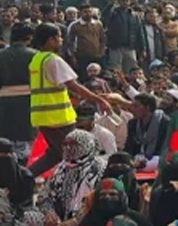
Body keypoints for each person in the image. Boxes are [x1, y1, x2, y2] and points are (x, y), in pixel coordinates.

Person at [26, 23, 113, 176]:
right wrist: (99, 99)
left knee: (55, 154)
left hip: (42, 116)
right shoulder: (53, 60)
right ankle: (77, 186)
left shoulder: (36, 59)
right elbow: (73, 85)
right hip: (58, 117)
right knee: (76, 154)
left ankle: (23, 178)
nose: (61, 40)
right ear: (50, 40)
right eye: (58, 37)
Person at [37, 128, 106, 226]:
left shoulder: (99, 168)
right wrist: (49, 212)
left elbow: (100, 201)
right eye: (65, 144)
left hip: (87, 220)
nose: (68, 148)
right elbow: (44, 194)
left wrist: (76, 221)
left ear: (86, 145)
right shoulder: (62, 168)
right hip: (60, 219)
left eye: (74, 144)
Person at [0, 22, 37, 157]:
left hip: (5, 100)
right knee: (26, 137)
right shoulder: (35, 55)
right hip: (29, 100)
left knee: (4, 139)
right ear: (29, 37)